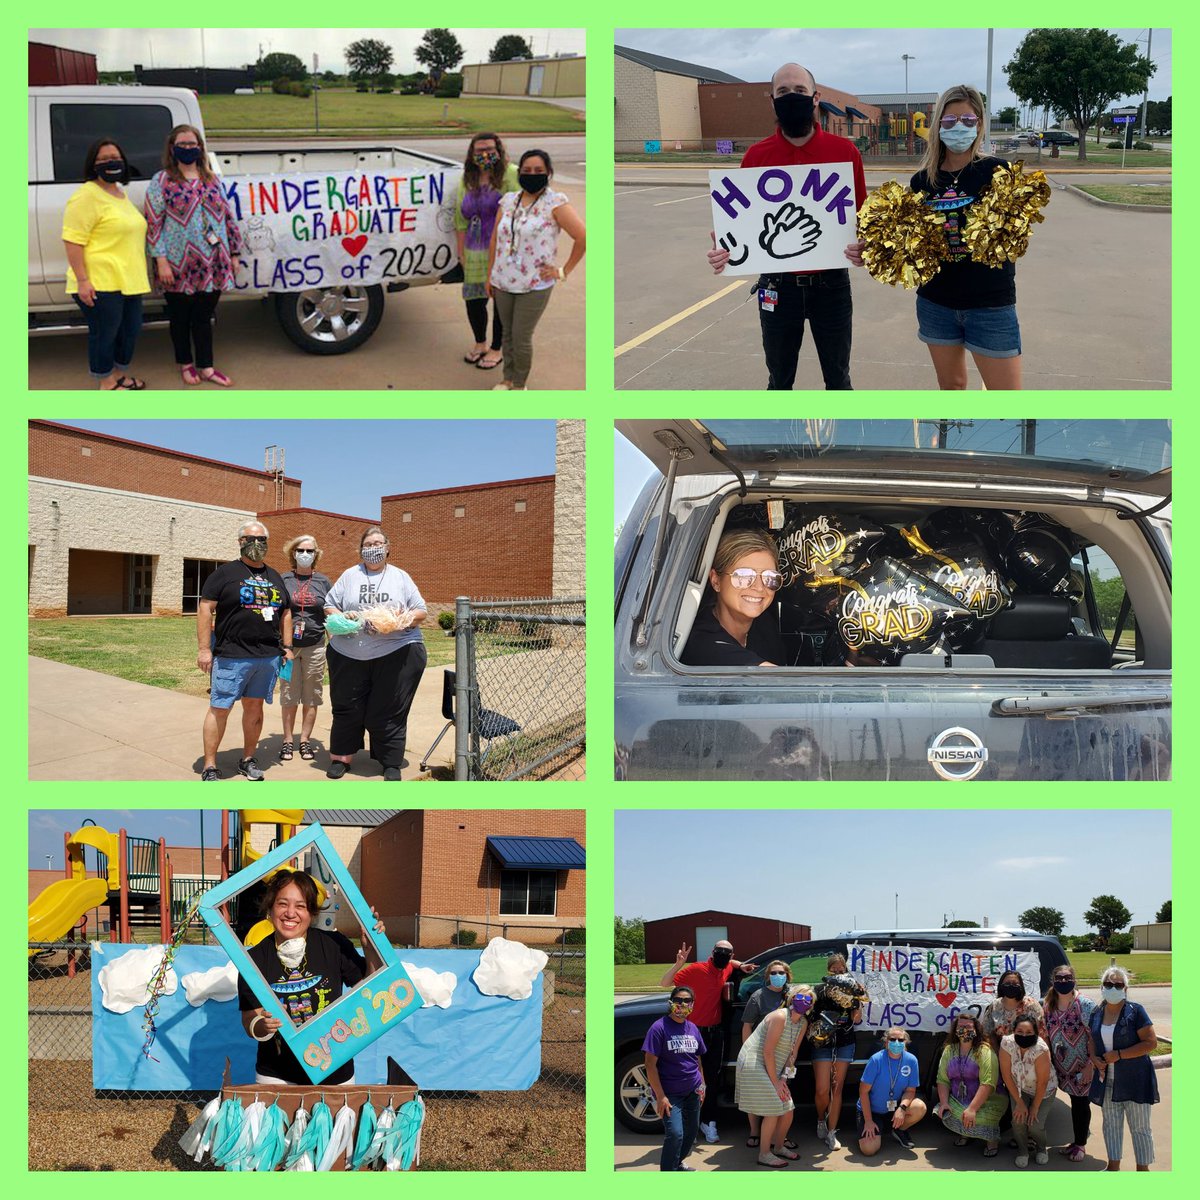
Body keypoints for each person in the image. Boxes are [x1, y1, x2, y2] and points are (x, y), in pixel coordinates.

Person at [707, 63, 867, 390]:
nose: (791, 97)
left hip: (831, 286)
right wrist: (725, 252)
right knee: (779, 383)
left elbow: (861, 224)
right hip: (776, 288)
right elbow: (740, 232)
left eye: (799, 91)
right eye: (783, 92)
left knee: (839, 382)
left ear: (815, 97)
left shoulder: (844, 153)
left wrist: (865, 247)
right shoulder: (756, 156)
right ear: (772, 100)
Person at [905, 84, 1022, 390]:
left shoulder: (999, 172)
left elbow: (1016, 237)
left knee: (1007, 402)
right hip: (936, 303)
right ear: (938, 127)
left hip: (990, 304)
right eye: (949, 122)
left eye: (968, 121)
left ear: (980, 124)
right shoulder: (922, 182)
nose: (959, 128)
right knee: (953, 390)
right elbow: (907, 239)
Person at [237, 870, 385, 1084]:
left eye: (300, 906)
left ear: (312, 913)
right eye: (282, 904)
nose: (290, 913)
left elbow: (369, 988)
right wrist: (262, 1025)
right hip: (277, 1075)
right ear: (270, 908)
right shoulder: (253, 959)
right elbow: (249, 1020)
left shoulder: (334, 944)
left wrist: (371, 947)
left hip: (335, 1070)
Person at [323, 527, 427, 780]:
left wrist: (403, 618)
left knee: (388, 708)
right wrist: (342, 615)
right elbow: (329, 605)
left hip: (396, 650)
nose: (373, 548)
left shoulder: (401, 577)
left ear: (388, 548)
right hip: (349, 653)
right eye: (368, 544)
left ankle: (389, 761)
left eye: (378, 543)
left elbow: (420, 611)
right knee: (347, 706)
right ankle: (341, 758)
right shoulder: (350, 575)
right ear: (361, 549)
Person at [144, 124, 242, 386]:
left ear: (200, 148)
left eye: (192, 144)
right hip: (177, 263)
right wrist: (161, 260)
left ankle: (206, 367)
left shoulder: (211, 179)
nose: (188, 148)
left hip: (214, 262)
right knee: (180, 318)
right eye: (182, 144)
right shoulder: (161, 180)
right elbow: (154, 223)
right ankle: (185, 363)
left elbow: (227, 217)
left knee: (203, 316)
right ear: (172, 148)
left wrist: (234, 252)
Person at [197, 521, 293, 781]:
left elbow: (286, 612)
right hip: (231, 655)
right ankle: (209, 766)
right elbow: (205, 609)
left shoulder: (275, 576)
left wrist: (287, 647)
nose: (257, 543)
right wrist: (205, 649)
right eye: (251, 538)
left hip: (267, 657)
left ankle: (248, 759)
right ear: (240, 542)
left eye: (262, 539)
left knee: (255, 708)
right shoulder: (224, 573)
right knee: (220, 707)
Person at [487, 148, 586, 390]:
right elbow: (494, 240)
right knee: (506, 335)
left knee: (521, 337)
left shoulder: (555, 203)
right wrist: (490, 275)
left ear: (548, 173)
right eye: (527, 170)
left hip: (534, 284)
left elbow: (583, 237)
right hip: (503, 281)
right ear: (519, 172)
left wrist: (563, 271)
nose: (532, 175)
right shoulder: (508, 200)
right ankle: (507, 379)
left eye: (538, 171)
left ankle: (519, 384)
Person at [61, 138, 151, 389]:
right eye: (102, 159)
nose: (110, 162)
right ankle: (106, 383)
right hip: (100, 280)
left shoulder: (119, 194)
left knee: (130, 330)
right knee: (105, 334)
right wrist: (82, 280)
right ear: (92, 164)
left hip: (128, 279)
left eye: (115, 157)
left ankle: (119, 374)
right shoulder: (86, 196)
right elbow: (72, 240)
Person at [659, 939, 759, 1144]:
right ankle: (689, 1125)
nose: (723, 955)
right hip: (693, 1033)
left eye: (727, 953)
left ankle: (709, 1121)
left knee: (711, 1079)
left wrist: (741, 965)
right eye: (720, 951)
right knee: (689, 1078)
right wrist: (678, 964)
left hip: (716, 1033)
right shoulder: (696, 969)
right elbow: (665, 983)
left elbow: (731, 963)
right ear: (712, 952)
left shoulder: (725, 968)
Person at [455, 132, 518, 372]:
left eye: (489, 149)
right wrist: (461, 253)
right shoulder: (467, 179)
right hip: (474, 250)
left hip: (503, 250)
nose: (484, 155)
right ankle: (480, 342)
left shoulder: (511, 174)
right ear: (471, 154)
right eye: (479, 150)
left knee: (501, 302)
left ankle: (496, 348)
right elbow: (460, 219)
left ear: (499, 150)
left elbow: (521, 210)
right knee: (474, 300)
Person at [1087, 965, 1158, 1171]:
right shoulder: (1097, 1012)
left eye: (1118, 984)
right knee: (1111, 1126)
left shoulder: (1135, 1012)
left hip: (1135, 1079)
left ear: (1125, 989)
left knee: (1140, 1128)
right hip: (1107, 1080)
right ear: (1102, 987)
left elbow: (1150, 1043)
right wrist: (1093, 1057)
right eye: (1108, 984)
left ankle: (1142, 1171)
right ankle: (1113, 1167)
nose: (1113, 988)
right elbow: (1092, 1038)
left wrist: (1118, 1055)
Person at [680, 529, 786, 667]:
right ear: (716, 581)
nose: (759, 587)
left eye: (769, 577)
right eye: (743, 575)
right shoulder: (701, 642)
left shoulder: (765, 625)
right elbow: (777, 679)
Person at [735, 986, 813, 1167]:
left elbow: (792, 1054)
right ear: (792, 998)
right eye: (800, 996)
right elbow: (768, 1051)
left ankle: (778, 1147)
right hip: (754, 1062)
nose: (804, 1001)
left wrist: (784, 1079)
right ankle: (764, 1154)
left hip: (774, 1068)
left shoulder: (803, 1023)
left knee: (788, 1109)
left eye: (809, 999)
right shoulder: (780, 1017)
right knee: (774, 1107)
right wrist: (776, 1082)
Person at [278, 534, 333, 764]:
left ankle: (305, 740)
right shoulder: (282, 579)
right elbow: (279, 613)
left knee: (312, 696)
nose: (305, 554)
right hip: (288, 649)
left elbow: (329, 611)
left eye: (310, 551)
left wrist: (336, 642)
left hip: (316, 646)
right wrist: (282, 646)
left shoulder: (323, 581)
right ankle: (288, 740)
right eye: (301, 550)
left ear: (316, 554)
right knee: (289, 695)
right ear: (293, 552)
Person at [642, 985, 707, 1171]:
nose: (682, 1004)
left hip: (693, 1090)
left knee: (690, 1133)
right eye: (678, 1000)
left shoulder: (693, 1028)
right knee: (675, 1134)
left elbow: (698, 1058)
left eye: (687, 1001)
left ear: (692, 1004)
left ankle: (677, 1164)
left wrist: (702, 1085)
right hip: (670, 1094)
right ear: (671, 1002)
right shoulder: (659, 1028)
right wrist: (660, 1096)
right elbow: (650, 1065)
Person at [808, 954, 866, 1151]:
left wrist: (856, 999)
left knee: (837, 1088)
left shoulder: (853, 990)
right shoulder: (818, 990)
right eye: (835, 970)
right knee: (822, 1089)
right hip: (822, 1043)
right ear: (828, 971)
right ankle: (820, 1120)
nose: (838, 974)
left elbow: (856, 1020)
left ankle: (832, 1132)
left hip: (845, 1041)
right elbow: (809, 1015)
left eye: (842, 970)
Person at [1043, 963, 1097, 1163]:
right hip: (1060, 1066)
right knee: (1074, 1103)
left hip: (1081, 1065)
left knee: (1081, 1104)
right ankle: (1075, 1143)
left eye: (1067, 978)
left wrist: (1091, 1064)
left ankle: (1080, 1144)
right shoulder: (1049, 1004)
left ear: (1074, 979)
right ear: (1053, 981)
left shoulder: (1084, 1004)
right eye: (1059, 978)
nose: (1063, 981)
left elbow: (1095, 1036)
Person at [935, 1012, 1007, 1156]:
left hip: (989, 1101)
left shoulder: (984, 1051)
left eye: (968, 1027)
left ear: (976, 1029)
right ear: (955, 1030)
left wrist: (972, 1109)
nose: (964, 1030)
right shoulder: (949, 1050)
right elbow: (942, 1080)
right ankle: (965, 1133)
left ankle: (991, 1139)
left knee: (973, 1115)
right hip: (959, 1099)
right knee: (942, 1110)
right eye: (960, 1026)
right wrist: (944, 1103)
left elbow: (987, 1084)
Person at [740, 959, 793, 1149]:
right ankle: (755, 1131)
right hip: (759, 1052)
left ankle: (779, 1136)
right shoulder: (758, 996)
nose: (778, 976)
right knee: (757, 1094)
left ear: (788, 975)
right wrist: (748, 1052)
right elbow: (747, 1025)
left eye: (781, 973)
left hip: (781, 1053)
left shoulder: (791, 996)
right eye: (774, 973)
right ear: (767, 976)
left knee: (779, 1094)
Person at [856, 1027, 928, 1154]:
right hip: (872, 1112)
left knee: (919, 1106)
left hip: (894, 1110)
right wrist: (868, 1121)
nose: (896, 1043)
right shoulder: (876, 1060)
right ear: (886, 1042)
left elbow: (910, 1091)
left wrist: (902, 1108)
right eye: (892, 1039)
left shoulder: (911, 1060)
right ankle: (875, 1128)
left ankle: (899, 1129)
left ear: (905, 1042)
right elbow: (863, 1092)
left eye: (900, 1040)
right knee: (868, 1150)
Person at [999, 1015, 1058, 1167]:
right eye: (1020, 1031)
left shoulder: (1041, 1049)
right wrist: (1019, 1103)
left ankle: (1041, 1148)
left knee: (1035, 1124)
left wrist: (1034, 1107)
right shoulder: (1006, 1043)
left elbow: (1043, 1082)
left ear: (1036, 1033)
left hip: (1044, 1090)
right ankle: (1023, 1151)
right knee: (1018, 1121)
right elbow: (1006, 1075)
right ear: (1014, 1031)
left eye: (1029, 1032)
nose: (1024, 1035)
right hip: (1020, 1087)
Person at [981, 969, 1045, 1047]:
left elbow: (1042, 1033)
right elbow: (987, 1033)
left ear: (1021, 986)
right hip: (1002, 1053)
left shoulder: (1031, 1005)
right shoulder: (995, 1006)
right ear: (1001, 986)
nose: (1011, 986)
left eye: (1015, 983)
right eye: (1007, 983)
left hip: (1029, 1052)